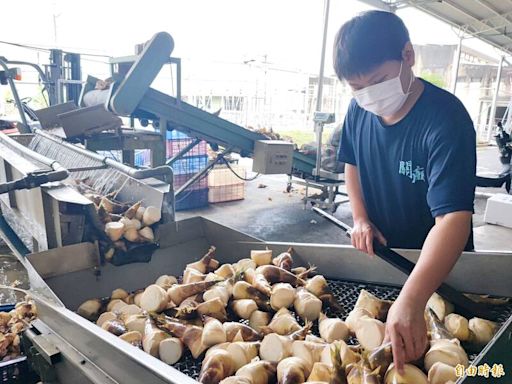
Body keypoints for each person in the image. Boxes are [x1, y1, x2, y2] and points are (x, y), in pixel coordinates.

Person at [333, 11, 476, 373]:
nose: (368, 95)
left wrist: (413, 298)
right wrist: (361, 218)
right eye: (356, 87)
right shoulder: (358, 110)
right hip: (385, 259)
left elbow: (453, 219)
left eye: (378, 80)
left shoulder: (446, 119)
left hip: (441, 270)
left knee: (449, 363)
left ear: (408, 56)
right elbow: (352, 163)